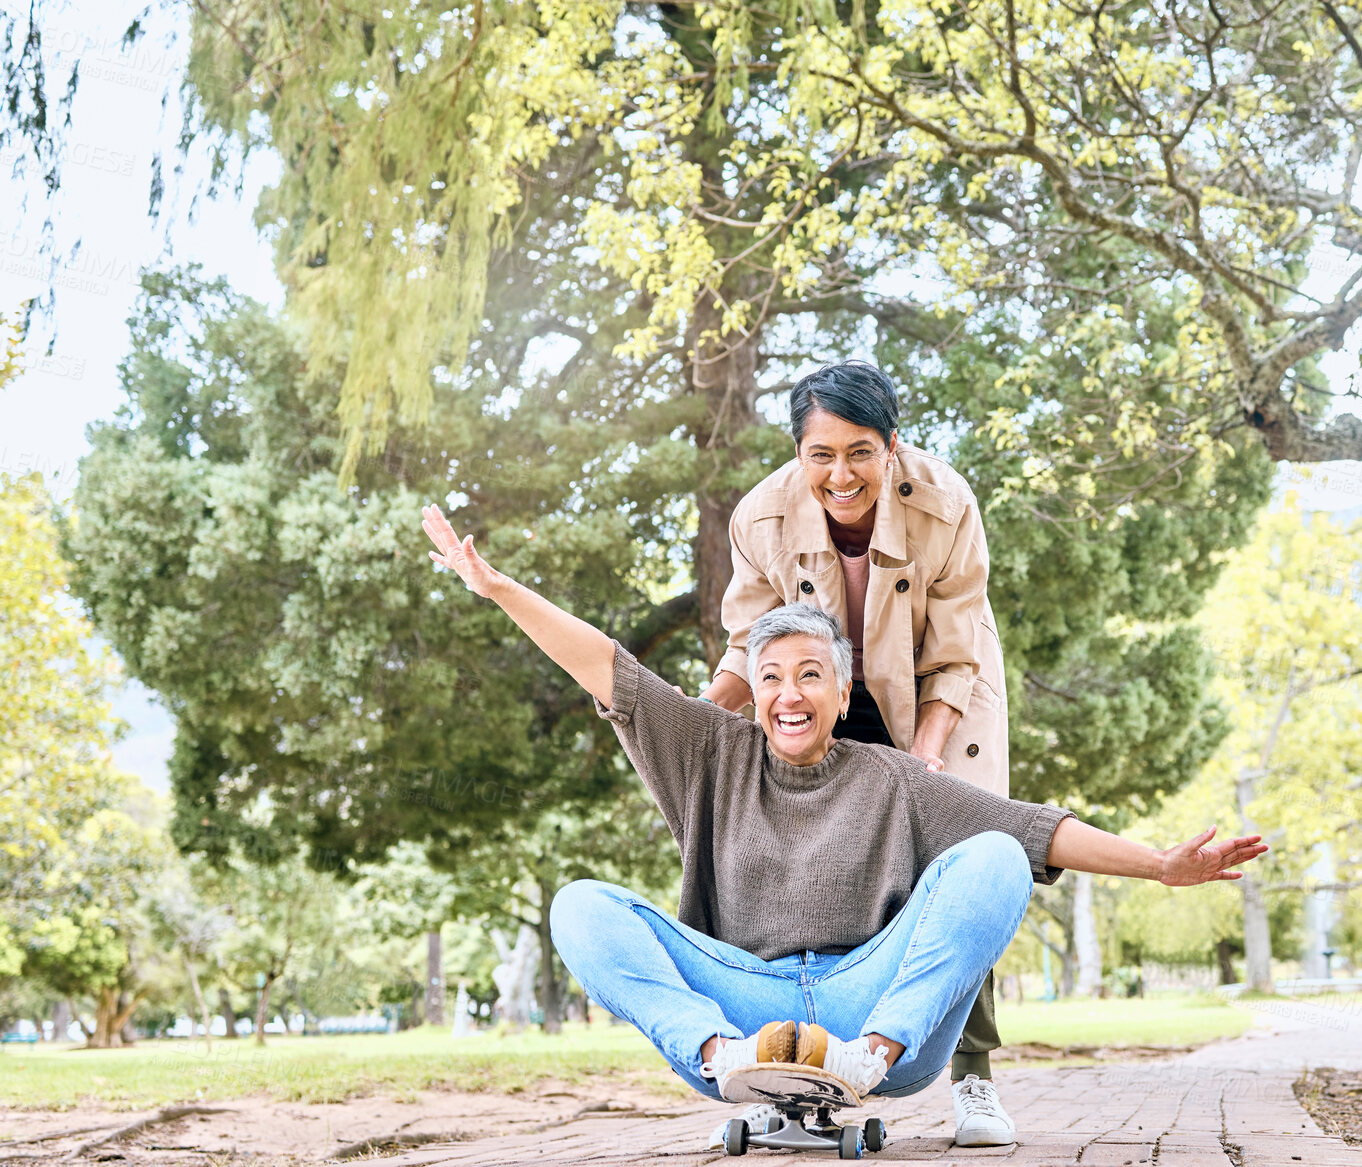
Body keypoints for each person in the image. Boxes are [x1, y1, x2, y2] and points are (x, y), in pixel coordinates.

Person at [420, 505, 1267, 1117]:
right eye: (772, 676)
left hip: (870, 1006)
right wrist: (499, 591)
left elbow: (1036, 830)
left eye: (810, 674)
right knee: (580, 905)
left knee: (997, 856)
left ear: (842, 687)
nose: (789, 693)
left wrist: (1161, 863)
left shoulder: (893, 778)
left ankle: (866, 1060)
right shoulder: (708, 752)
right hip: (746, 1003)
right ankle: (725, 1059)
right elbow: (606, 666)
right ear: (752, 689)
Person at [701, 361, 1021, 1142]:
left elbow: (954, 651)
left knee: (959, 856)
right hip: (820, 694)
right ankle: (789, 1078)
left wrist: (924, 760)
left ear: (892, 446)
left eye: (860, 453)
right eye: (822, 455)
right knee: (785, 858)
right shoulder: (761, 517)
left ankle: (973, 1078)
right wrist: (695, 731)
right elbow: (749, 645)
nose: (841, 475)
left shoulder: (944, 505)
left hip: (940, 689)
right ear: (798, 453)